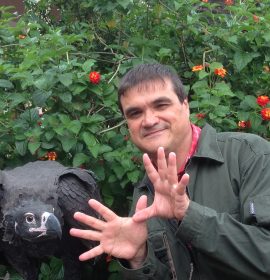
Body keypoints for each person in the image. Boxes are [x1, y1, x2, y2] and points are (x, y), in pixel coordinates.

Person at [70, 63, 270, 280]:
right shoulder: (144, 195)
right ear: (128, 125)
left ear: (185, 105)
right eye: (135, 113)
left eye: (161, 105)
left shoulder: (249, 155)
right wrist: (138, 258)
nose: (149, 120)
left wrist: (188, 215)